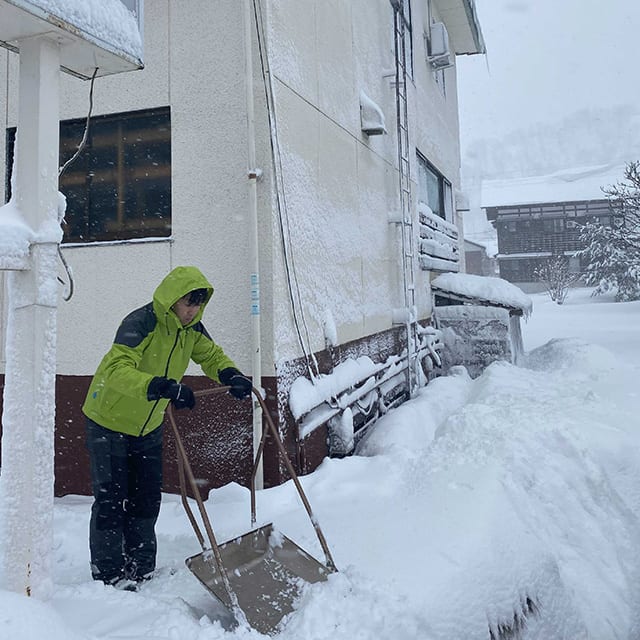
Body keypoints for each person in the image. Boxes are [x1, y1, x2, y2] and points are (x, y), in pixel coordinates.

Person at [82, 265, 252, 590]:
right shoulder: (141, 323)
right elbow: (116, 370)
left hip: (148, 425)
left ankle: (141, 567)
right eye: (189, 303)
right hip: (108, 422)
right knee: (111, 499)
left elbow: (211, 356)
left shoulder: (192, 330)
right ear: (172, 299)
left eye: (199, 305)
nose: (193, 311)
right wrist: (160, 386)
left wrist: (230, 374)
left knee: (146, 498)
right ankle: (108, 574)